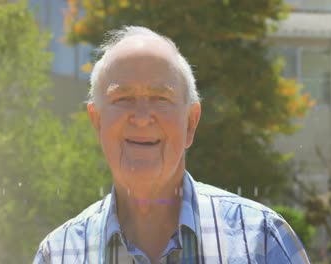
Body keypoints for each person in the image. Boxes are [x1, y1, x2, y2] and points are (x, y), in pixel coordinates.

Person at [33, 26, 310, 264]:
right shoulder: (58, 254)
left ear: (191, 122)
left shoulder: (261, 241)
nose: (142, 118)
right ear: (97, 122)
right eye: (123, 98)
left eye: (160, 99)